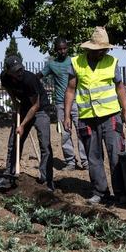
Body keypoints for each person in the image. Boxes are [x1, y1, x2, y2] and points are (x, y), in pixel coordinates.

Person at [64, 26, 126, 204]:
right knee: (93, 156)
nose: (102, 52)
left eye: (104, 49)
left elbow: (120, 87)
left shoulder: (112, 62)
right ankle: (100, 192)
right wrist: (66, 116)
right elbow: (70, 90)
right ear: (90, 49)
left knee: (116, 154)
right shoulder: (76, 63)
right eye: (99, 50)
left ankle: (122, 193)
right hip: (87, 117)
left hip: (110, 116)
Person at [0, 54, 54, 192]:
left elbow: (35, 106)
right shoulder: (4, 77)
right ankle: (9, 175)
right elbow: (9, 90)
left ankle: (47, 180)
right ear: (8, 71)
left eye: (20, 69)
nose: (19, 73)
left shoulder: (29, 79)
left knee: (45, 144)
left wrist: (23, 125)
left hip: (40, 109)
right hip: (24, 108)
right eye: (15, 71)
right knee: (14, 142)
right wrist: (14, 103)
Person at [41, 38, 86, 170]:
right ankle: (70, 162)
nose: (62, 51)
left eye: (64, 48)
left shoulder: (74, 61)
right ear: (55, 50)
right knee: (65, 134)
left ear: (68, 48)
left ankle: (86, 161)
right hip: (60, 104)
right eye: (60, 49)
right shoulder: (51, 64)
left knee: (81, 132)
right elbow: (39, 75)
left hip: (77, 102)